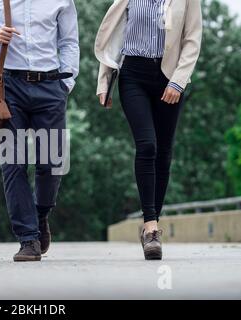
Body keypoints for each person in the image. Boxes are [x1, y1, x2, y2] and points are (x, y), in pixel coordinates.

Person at [0, 0, 80, 261]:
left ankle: (41, 215)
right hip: (10, 87)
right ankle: (28, 239)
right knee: (13, 162)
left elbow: (69, 42)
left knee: (52, 162)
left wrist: (66, 83)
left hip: (51, 86)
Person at [95, 0, 202, 260]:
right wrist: (105, 81)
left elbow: (192, 39)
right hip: (133, 75)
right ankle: (151, 225)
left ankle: (151, 225)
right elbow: (115, 33)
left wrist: (178, 82)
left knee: (164, 151)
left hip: (170, 76)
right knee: (147, 145)